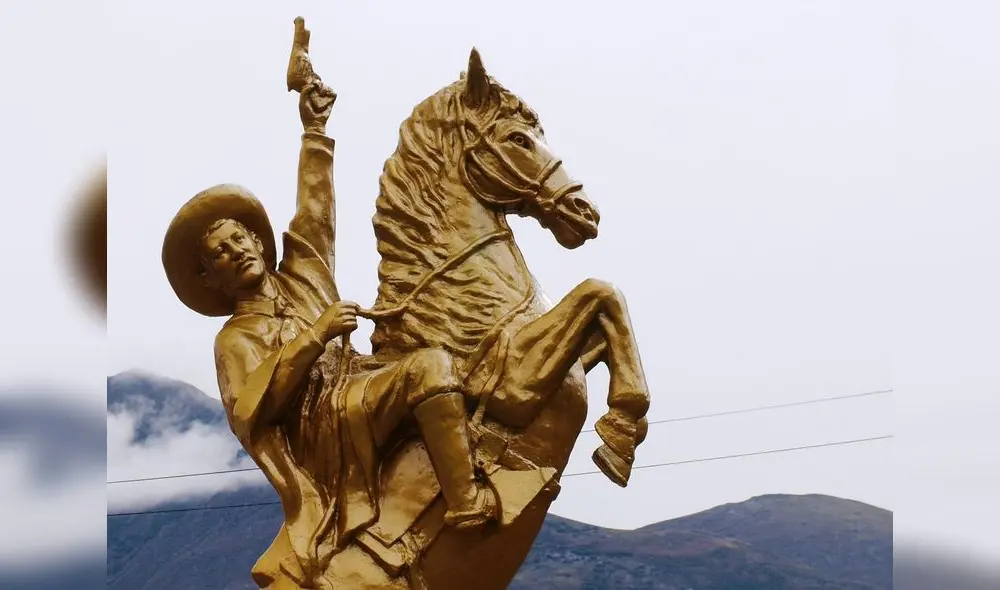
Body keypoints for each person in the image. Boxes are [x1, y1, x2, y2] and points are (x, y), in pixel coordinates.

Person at [161, 78, 496, 584]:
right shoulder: (234, 339)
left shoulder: (303, 277)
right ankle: (466, 500)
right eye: (221, 254)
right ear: (211, 277)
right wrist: (315, 335)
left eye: (241, 239)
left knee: (445, 344)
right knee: (428, 368)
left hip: (362, 385)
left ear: (257, 239)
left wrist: (315, 129)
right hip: (325, 430)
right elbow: (252, 410)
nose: (238, 252)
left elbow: (315, 210)